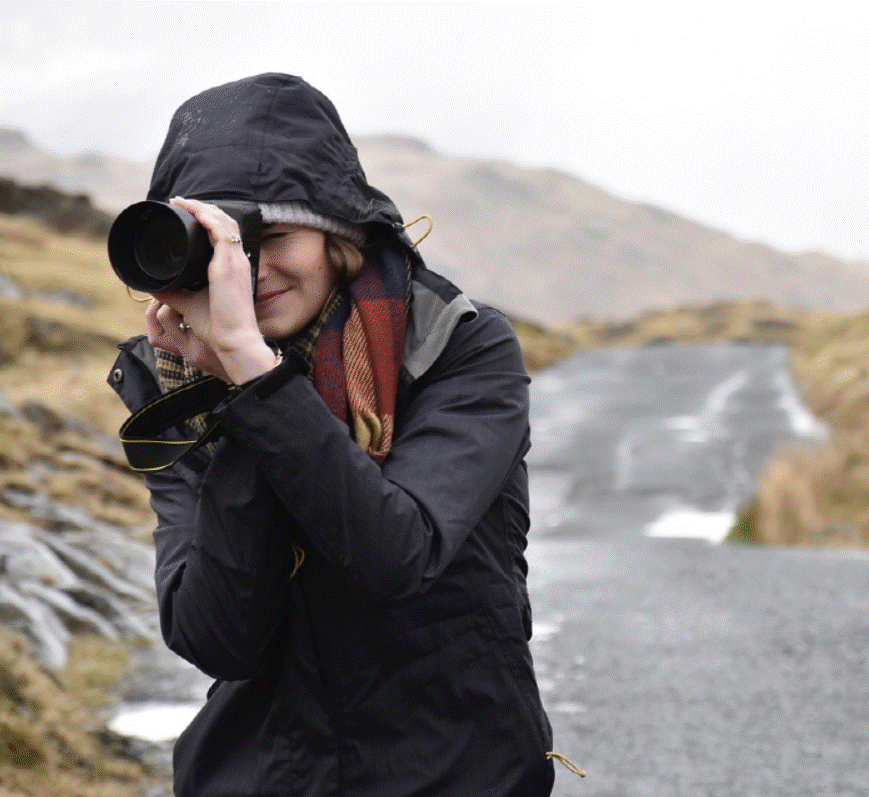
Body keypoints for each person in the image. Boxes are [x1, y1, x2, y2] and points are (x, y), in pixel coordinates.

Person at [106, 73, 555, 796]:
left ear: (337, 230)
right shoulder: (180, 384)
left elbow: (395, 555)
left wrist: (256, 379)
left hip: (452, 772)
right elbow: (220, 638)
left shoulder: (453, 346)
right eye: (218, 251)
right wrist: (233, 391)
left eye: (271, 236)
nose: (246, 274)